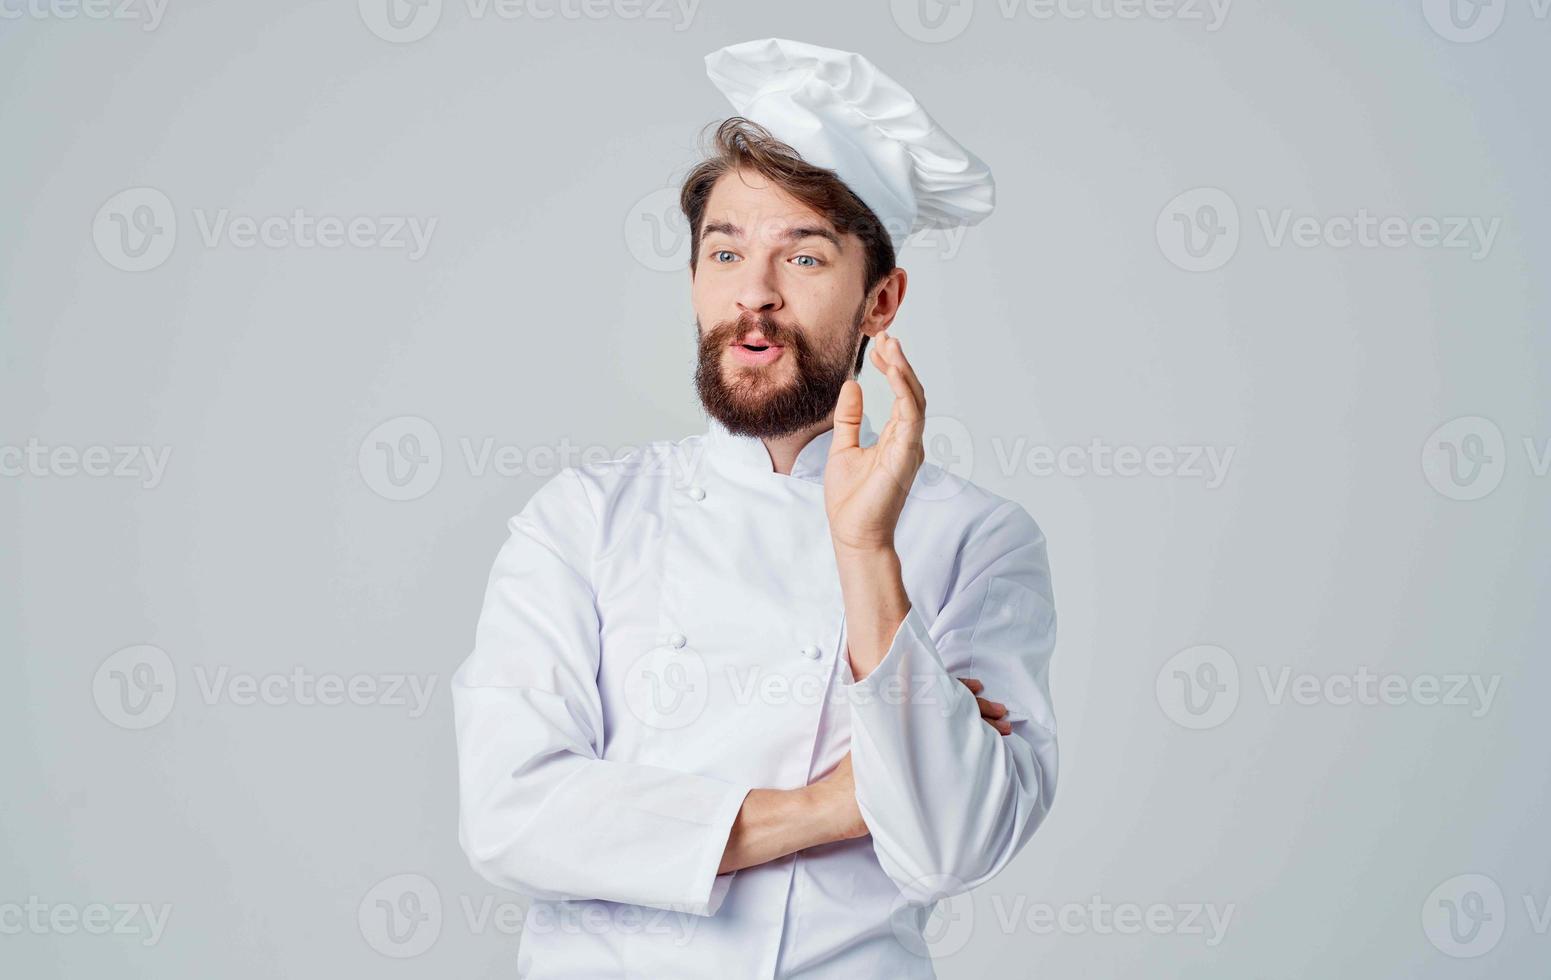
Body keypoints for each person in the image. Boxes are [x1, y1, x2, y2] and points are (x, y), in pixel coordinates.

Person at [452, 37, 1058, 978]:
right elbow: (510, 819)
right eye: (724, 250)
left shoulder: (975, 540)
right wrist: (831, 806)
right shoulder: (583, 520)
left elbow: (951, 849)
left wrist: (864, 552)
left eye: (804, 257)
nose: (754, 296)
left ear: (880, 301)